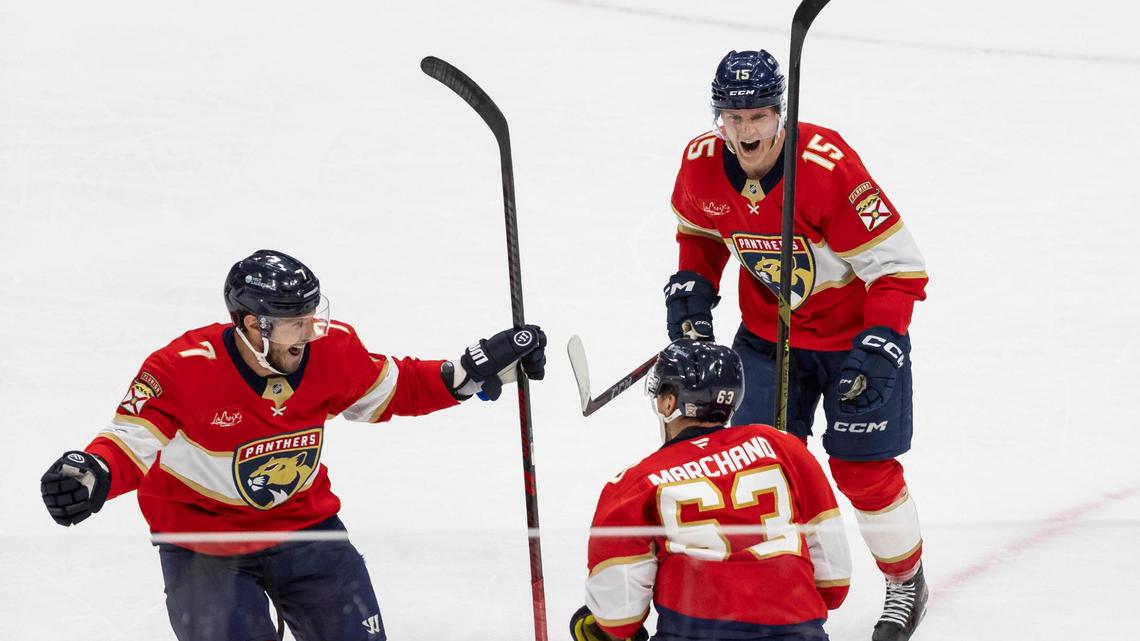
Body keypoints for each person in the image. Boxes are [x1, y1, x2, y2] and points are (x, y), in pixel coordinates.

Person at [39, 249, 547, 641]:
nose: (308, 330)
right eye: (292, 320)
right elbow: (129, 443)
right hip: (205, 543)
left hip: (306, 529)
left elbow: (398, 389)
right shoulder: (181, 369)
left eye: (310, 314)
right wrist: (91, 474)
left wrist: (470, 372)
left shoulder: (330, 350)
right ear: (249, 324)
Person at [661, 50, 930, 641]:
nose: (745, 131)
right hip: (767, 340)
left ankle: (906, 580)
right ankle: (772, 584)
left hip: (849, 341)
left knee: (863, 471)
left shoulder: (827, 167)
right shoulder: (701, 162)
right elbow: (701, 232)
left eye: (757, 116)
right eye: (732, 118)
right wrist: (693, 292)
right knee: (753, 464)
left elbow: (898, 268)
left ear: (779, 113)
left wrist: (883, 341)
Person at [570, 339, 851, 641]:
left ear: (668, 403)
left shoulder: (636, 483)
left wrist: (604, 625)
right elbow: (834, 582)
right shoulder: (781, 446)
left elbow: (618, 617)